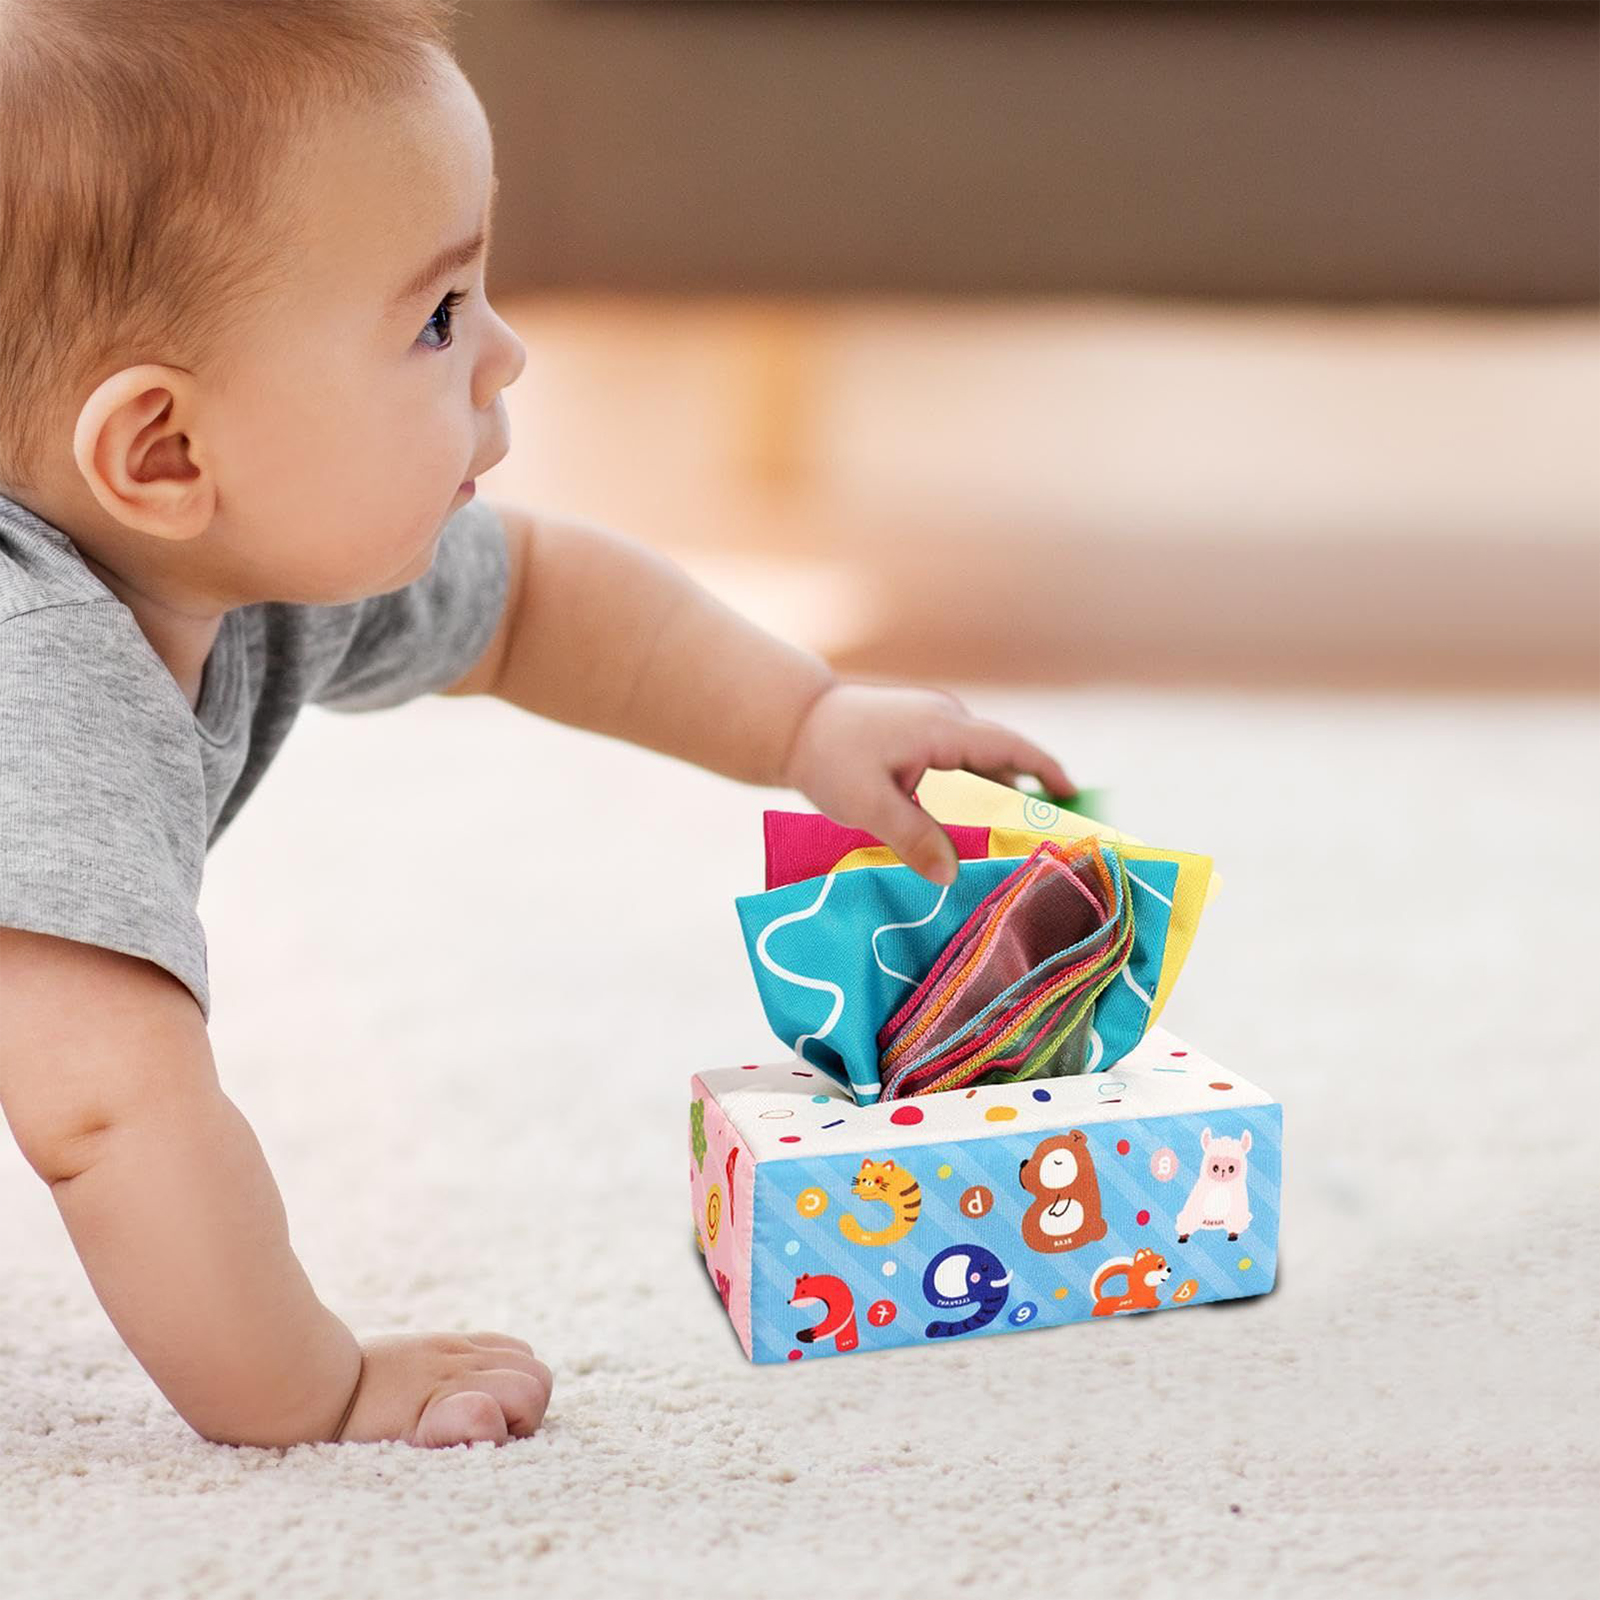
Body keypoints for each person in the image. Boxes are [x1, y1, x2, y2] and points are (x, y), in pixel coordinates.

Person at [0, 0, 1073, 1449]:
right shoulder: (40, 682)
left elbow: (534, 605)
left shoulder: (232, 555)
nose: (505, 354)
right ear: (165, 450)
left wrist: (805, 718)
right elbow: (108, 1111)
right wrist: (313, 1390)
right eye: (437, 317)